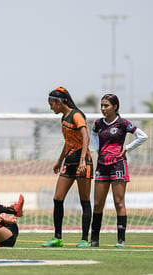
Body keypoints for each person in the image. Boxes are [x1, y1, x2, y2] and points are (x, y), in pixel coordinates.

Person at [90, 94, 148, 248]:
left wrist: (127, 148)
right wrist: (98, 149)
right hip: (102, 165)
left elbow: (143, 136)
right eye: (101, 105)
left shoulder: (123, 123)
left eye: (106, 105)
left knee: (119, 202)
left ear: (115, 107)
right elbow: (94, 133)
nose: (103, 108)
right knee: (97, 204)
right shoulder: (98, 123)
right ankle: (94, 240)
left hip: (117, 165)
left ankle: (121, 240)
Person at [42, 86, 93, 248]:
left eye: (52, 104)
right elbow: (69, 142)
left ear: (59, 102)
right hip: (69, 163)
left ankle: (85, 239)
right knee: (57, 198)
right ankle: (57, 238)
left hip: (82, 162)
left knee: (84, 200)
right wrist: (59, 161)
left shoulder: (76, 115)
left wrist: (83, 161)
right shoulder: (63, 118)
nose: (50, 107)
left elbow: (86, 137)